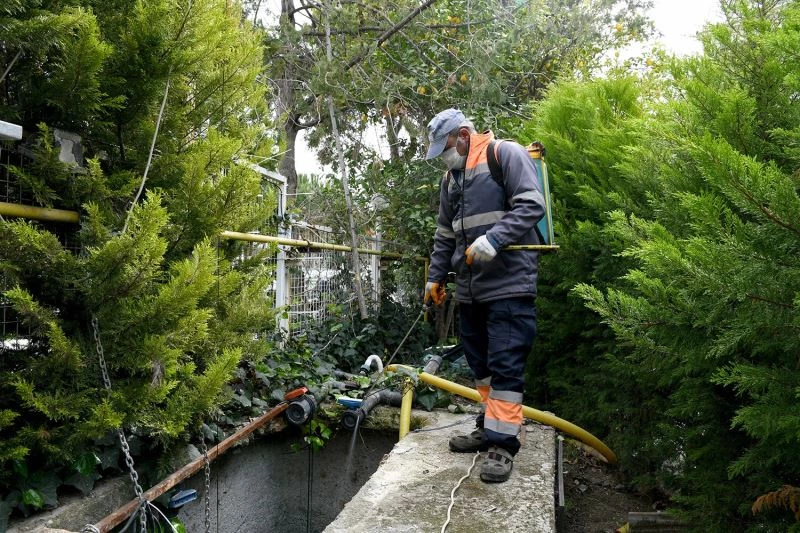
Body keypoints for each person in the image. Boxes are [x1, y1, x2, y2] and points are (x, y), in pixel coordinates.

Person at [423, 108, 545, 483]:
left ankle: (503, 445)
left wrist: (494, 239)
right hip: (470, 289)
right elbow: (445, 234)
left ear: (463, 136)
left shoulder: (504, 154)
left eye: (445, 148)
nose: (444, 157)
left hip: (509, 284)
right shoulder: (451, 179)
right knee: (482, 366)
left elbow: (532, 205)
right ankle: (490, 426)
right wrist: (434, 277)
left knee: (506, 364)